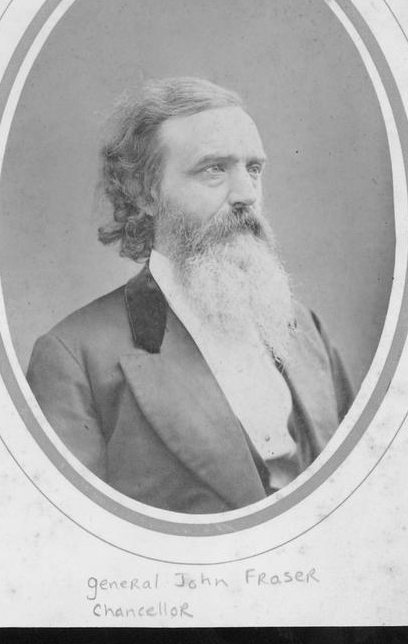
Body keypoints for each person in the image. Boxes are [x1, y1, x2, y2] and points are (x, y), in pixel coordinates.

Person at [27, 77, 353, 514]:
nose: (246, 194)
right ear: (145, 193)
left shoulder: (305, 328)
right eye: (213, 169)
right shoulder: (75, 358)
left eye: (254, 169)